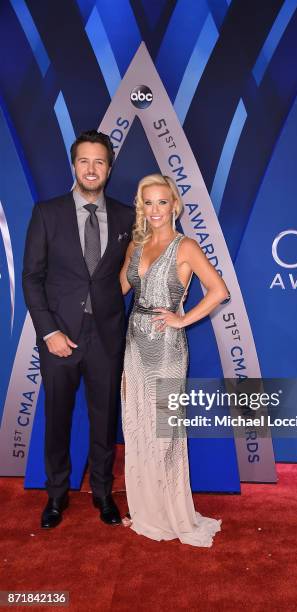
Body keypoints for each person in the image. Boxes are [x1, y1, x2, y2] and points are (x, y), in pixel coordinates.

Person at [22, 130, 134, 528]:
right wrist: (49, 332)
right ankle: (56, 496)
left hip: (106, 336)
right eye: (84, 161)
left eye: (99, 161)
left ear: (109, 167)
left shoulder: (126, 216)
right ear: (74, 165)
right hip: (59, 338)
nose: (91, 168)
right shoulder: (47, 213)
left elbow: (135, 268)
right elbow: (32, 278)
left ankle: (104, 494)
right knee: (57, 418)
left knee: (104, 420)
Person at [119, 173, 230, 547]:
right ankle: (147, 510)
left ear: (174, 205)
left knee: (164, 432)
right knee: (137, 426)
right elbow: (118, 286)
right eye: (147, 202)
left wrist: (182, 318)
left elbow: (219, 291)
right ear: (141, 206)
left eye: (161, 202)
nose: (154, 210)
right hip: (134, 343)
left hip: (166, 349)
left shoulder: (186, 247)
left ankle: (171, 512)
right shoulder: (137, 243)